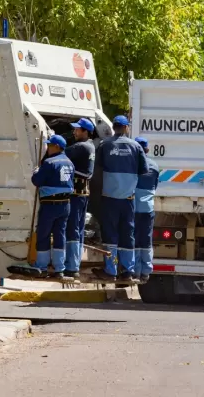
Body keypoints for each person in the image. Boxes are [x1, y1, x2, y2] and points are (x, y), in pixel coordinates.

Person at [92, 115, 148, 281]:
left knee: (110, 235)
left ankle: (111, 270)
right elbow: (143, 171)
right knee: (127, 235)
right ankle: (128, 271)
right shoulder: (136, 147)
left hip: (109, 198)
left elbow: (98, 168)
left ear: (114, 127)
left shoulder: (105, 145)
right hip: (128, 199)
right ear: (126, 128)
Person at [30, 135, 75, 280]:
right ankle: (59, 268)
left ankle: (42, 266)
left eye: (49, 146)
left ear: (56, 146)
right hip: (65, 205)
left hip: (50, 204)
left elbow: (36, 181)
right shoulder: (69, 162)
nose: (47, 148)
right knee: (59, 235)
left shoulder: (49, 163)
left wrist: (36, 171)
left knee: (43, 234)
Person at [63, 118, 96, 279]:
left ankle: (71, 266)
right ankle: (74, 263)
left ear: (85, 131)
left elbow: (58, 154)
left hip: (76, 194)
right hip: (83, 194)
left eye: (77, 129)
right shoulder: (90, 146)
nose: (74, 132)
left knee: (72, 228)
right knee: (79, 229)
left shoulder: (80, 147)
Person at [133, 137, 160, 284]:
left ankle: (136, 271)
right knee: (147, 240)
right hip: (148, 208)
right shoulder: (154, 165)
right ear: (147, 150)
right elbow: (155, 186)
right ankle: (146, 272)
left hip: (134, 208)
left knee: (135, 240)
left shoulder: (132, 164)